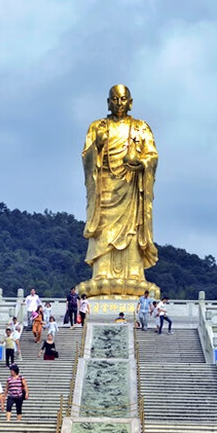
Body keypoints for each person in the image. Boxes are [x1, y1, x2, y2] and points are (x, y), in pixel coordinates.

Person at [81, 84, 159, 288]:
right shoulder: (97, 127)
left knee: (133, 229)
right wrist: (97, 145)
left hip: (131, 185)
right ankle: (101, 273)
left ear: (130, 102)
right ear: (108, 102)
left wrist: (142, 163)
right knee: (104, 229)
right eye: (114, 99)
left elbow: (151, 155)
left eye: (123, 99)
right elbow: (87, 157)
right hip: (105, 185)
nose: (119, 103)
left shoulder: (141, 127)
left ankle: (134, 273)